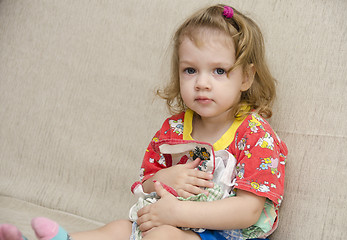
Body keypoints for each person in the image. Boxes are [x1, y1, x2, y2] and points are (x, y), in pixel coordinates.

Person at [0, 4, 287, 240]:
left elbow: (249, 210)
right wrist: (162, 179)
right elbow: (145, 182)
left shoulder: (254, 135)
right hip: (166, 222)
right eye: (190, 70)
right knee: (117, 229)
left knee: (161, 237)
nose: (202, 83)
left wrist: (177, 214)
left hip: (222, 234)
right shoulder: (174, 130)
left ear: (246, 78)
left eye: (219, 71)